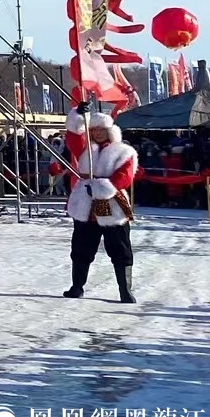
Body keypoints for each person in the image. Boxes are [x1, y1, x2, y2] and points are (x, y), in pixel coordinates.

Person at [63, 105, 137, 303]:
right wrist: (79, 116)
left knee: (120, 249)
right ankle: (77, 286)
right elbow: (73, 136)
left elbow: (125, 176)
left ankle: (125, 289)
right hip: (86, 205)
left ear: (110, 131)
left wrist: (104, 187)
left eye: (102, 130)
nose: (98, 133)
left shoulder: (124, 151)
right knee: (81, 248)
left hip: (112, 204)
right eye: (94, 130)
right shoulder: (84, 149)